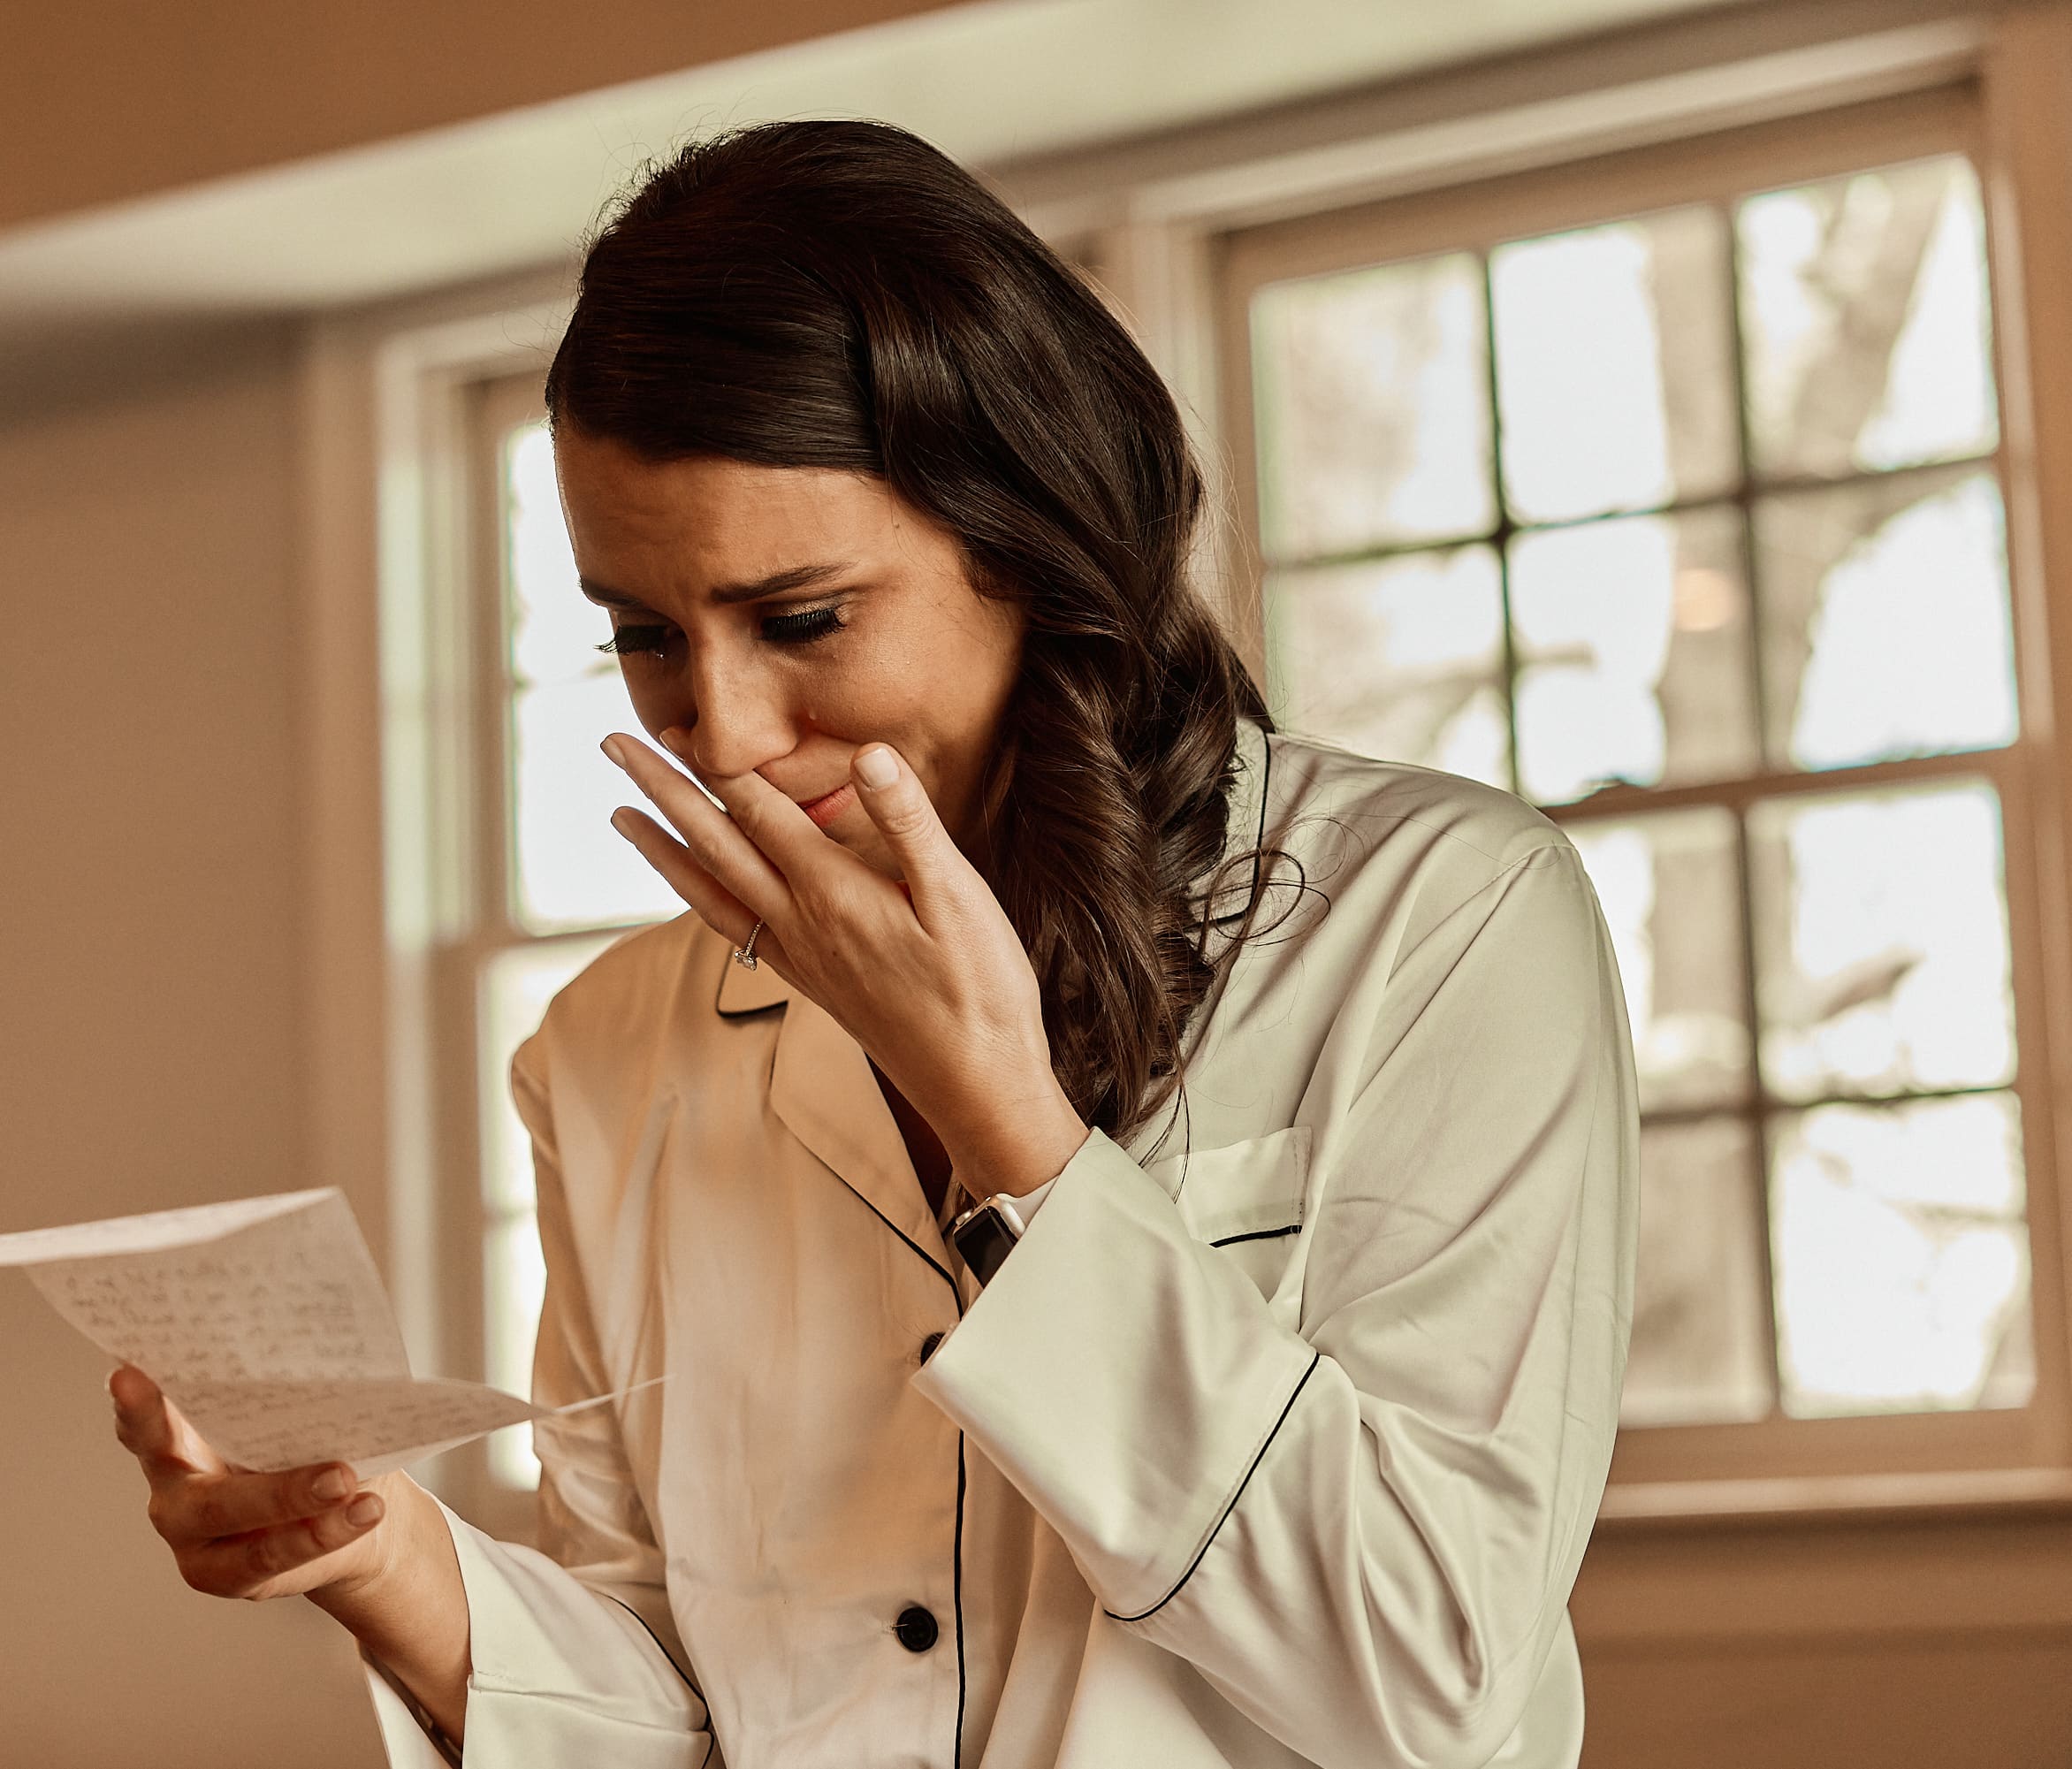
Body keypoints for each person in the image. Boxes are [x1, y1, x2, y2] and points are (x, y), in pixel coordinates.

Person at [109, 118, 1636, 1768]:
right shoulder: (610, 1049)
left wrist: (1016, 1137)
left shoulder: (1441, 923)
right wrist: (382, 1555)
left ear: (1033, 542)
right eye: (641, 634)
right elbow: (681, 1709)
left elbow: (1431, 1681)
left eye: (803, 618)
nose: (726, 729)